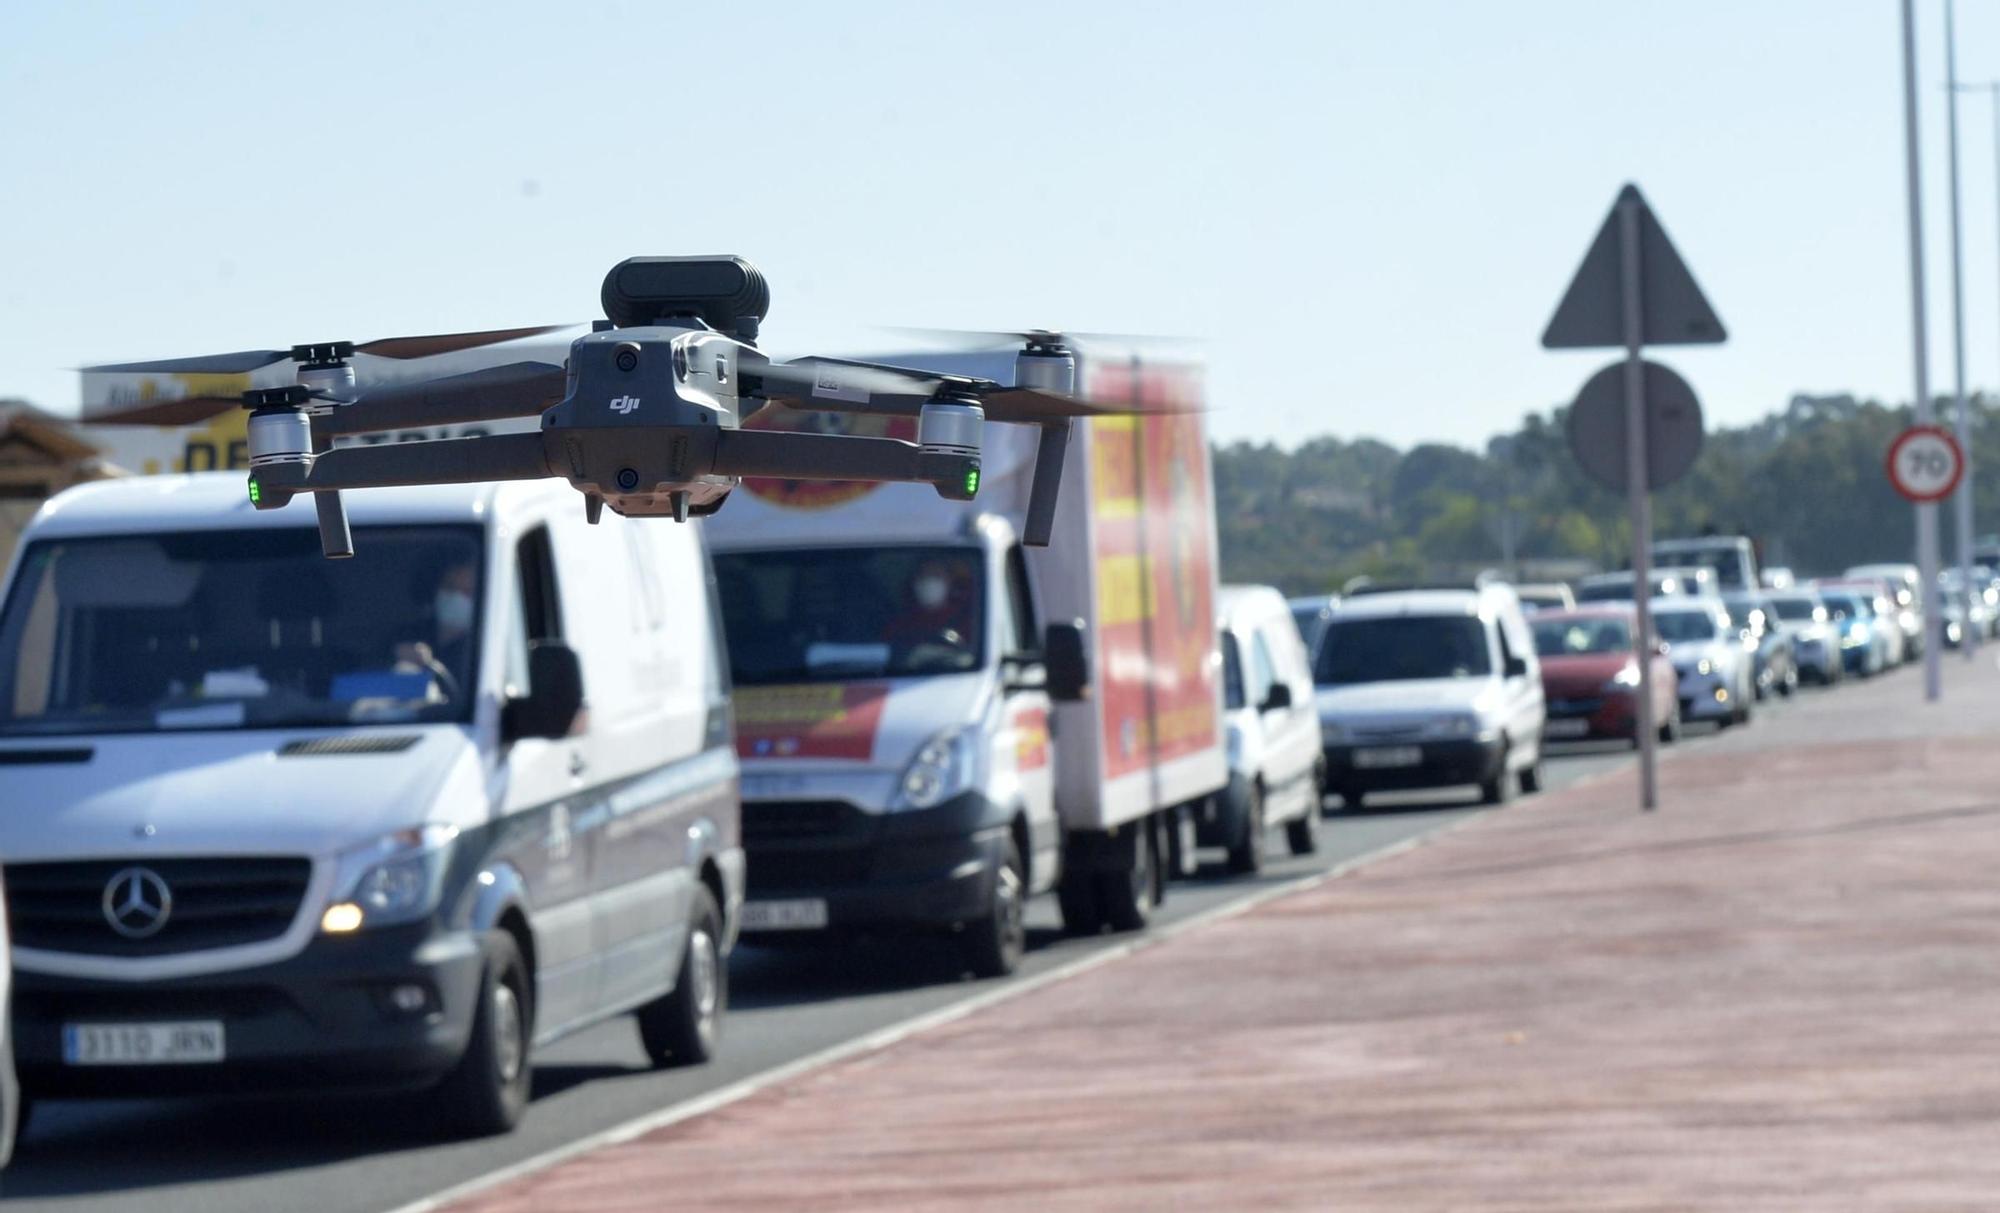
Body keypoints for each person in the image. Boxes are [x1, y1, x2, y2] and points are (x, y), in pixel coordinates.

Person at [396, 560, 478, 697]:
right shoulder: (405, 635)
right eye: (450, 587)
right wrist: (395, 655)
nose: (457, 596)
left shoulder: (482, 650)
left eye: (467, 591)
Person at [881, 558, 976, 667]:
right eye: (924, 576)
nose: (929, 583)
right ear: (914, 583)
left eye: (936, 576)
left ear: (949, 582)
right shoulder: (899, 625)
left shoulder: (968, 619)